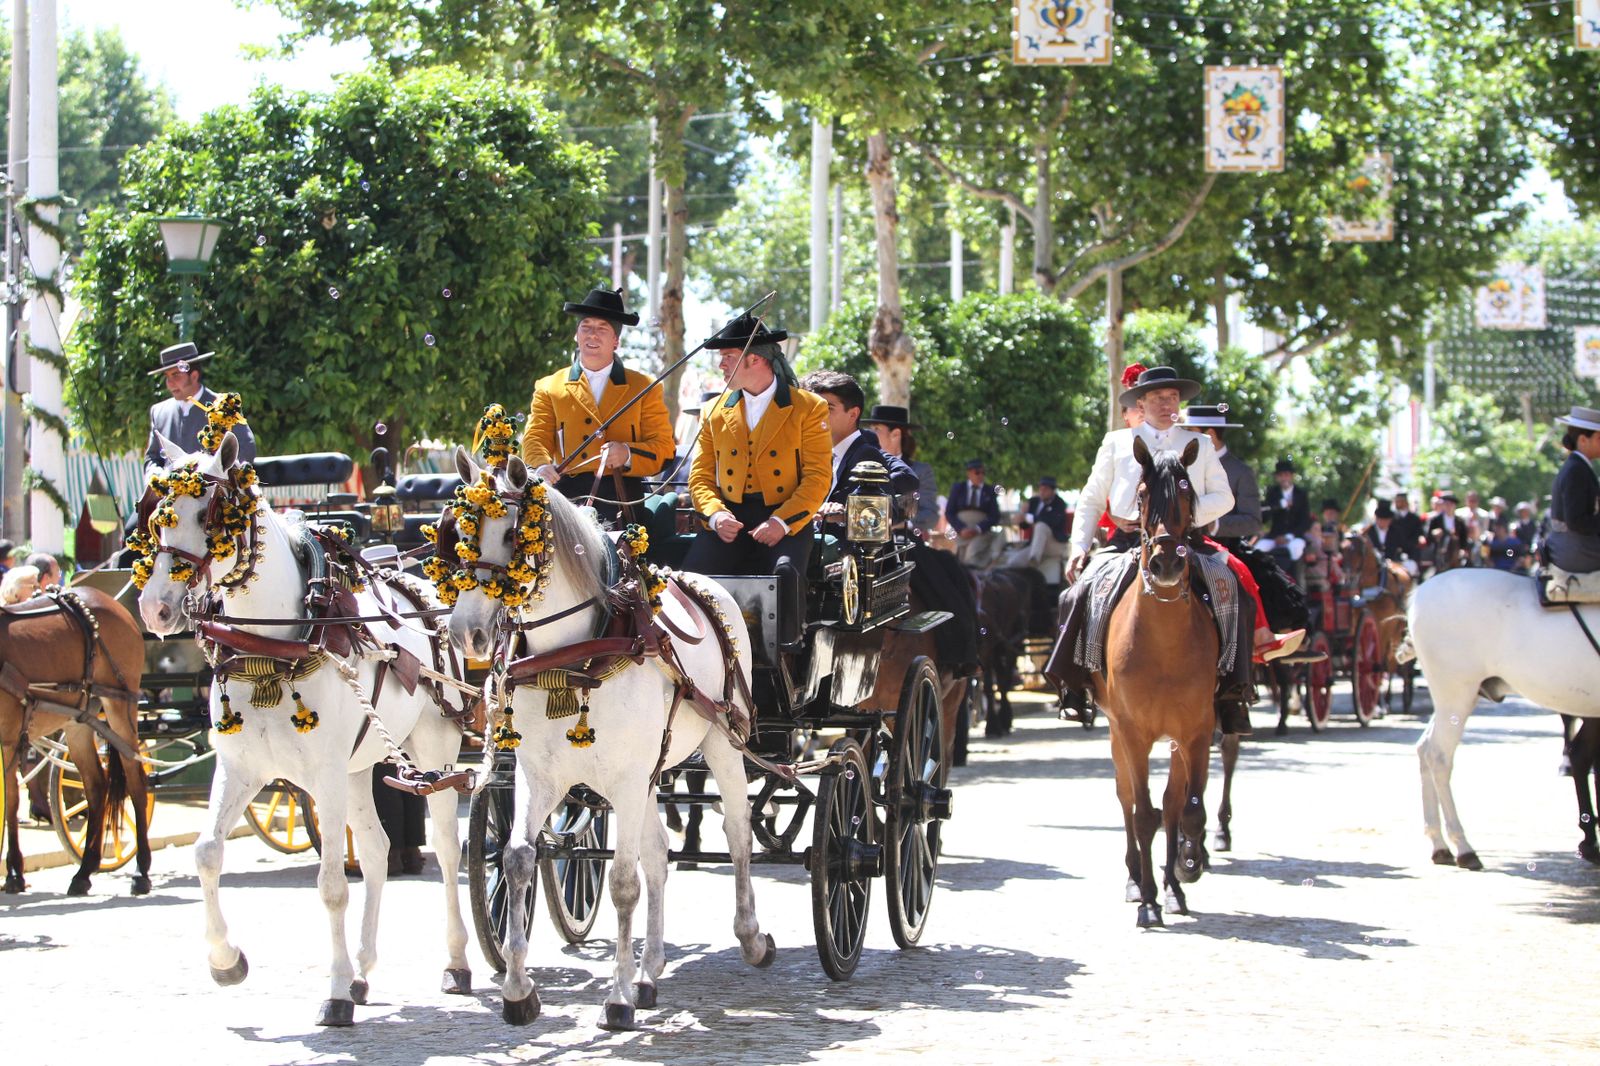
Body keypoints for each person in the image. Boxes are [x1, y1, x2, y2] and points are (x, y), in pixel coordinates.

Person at [1053, 366, 1254, 735]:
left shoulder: (1201, 444)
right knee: (1076, 593)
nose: (1167, 404)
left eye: (1174, 397)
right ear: (1141, 403)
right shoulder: (1116, 443)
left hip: (1184, 541)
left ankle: (1233, 691)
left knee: (1233, 587)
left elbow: (1224, 497)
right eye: (1159, 398)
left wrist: (1185, 515)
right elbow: (1092, 499)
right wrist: (1078, 547)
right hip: (1127, 541)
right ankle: (1075, 685)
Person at [684, 314, 832, 635]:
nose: (721, 365)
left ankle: (786, 661)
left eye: (728, 357)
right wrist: (714, 516)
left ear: (754, 359)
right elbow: (700, 478)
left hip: (786, 520)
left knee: (785, 575)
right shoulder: (713, 411)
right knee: (690, 578)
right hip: (730, 519)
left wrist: (781, 522)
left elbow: (819, 478)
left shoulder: (809, 407)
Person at [521, 285, 675, 525]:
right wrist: (541, 465)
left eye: (602, 329)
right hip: (565, 497)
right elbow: (534, 438)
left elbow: (664, 449)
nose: (592, 335)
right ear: (576, 335)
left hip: (622, 498)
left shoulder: (644, 386)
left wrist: (627, 454)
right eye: (586, 327)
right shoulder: (549, 386)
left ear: (615, 341)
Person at [797, 370, 919, 512]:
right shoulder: (819, 454)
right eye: (812, 409)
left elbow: (884, 513)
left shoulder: (866, 455)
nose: (816, 415)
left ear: (853, 414)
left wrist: (844, 512)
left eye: (827, 408)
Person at [143, 341, 258, 475]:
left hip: (214, 490)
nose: (169, 383)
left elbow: (245, 448)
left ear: (194, 376)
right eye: (167, 377)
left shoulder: (224, 407)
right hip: (171, 493)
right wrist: (157, 477)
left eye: (175, 375)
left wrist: (220, 474)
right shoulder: (159, 412)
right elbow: (152, 458)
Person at [1181, 403, 1259, 549]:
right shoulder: (1181, 465)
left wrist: (1214, 525)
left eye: (1190, 431)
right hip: (1179, 548)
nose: (1185, 437)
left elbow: (1253, 522)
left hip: (1224, 550)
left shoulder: (1241, 472)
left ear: (1209, 435)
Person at [859, 405, 940, 534]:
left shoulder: (921, 471)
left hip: (906, 544)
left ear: (895, 434)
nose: (869, 433)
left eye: (876, 429)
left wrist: (903, 524)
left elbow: (931, 516)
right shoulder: (861, 466)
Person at [1546, 405, 1600, 574]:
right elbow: (1577, 521)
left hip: (1576, 544)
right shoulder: (1576, 470)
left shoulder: (1578, 466)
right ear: (1583, 440)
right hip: (1576, 548)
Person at [945, 459, 1002, 566]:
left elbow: (995, 516)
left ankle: (975, 577)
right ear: (969, 473)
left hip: (981, 533)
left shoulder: (989, 491)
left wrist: (978, 528)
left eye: (983, 473)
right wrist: (961, 528)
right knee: (958, 557)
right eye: (977, 472)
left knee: (972, 552)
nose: (980, 475)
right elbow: (949, 512)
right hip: (961, 533)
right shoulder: (958, 488)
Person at [1259, 459, 1311, 561]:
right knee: (1258, 549)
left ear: (1291, 476)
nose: (1284, 478)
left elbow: (1305, 521)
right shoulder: (1272, 492)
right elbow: (1265, 515)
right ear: (1277, 477)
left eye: (1286, 475)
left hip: (1294, 536)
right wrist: (1278, 505)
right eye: (1280, 475)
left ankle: (1294, 576)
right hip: (1275, 536)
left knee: (1296, 549)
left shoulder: (1301, 494)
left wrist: (1289, 536)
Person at [1366, 501, 1418, 575]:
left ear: (1390, 520)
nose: (1383, 523)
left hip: (1393, 564)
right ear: (1377, 519)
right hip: (1372, 565)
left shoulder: (1396, 531)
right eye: (1381, 520)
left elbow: (1406, 546)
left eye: (1386, 520)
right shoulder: (1368, 532)